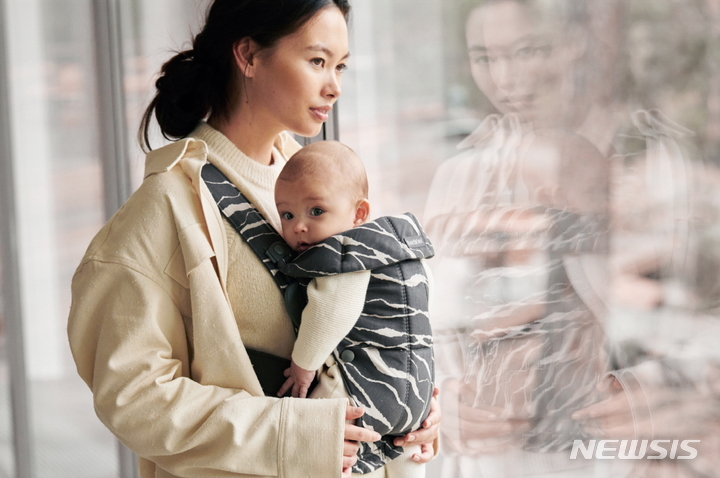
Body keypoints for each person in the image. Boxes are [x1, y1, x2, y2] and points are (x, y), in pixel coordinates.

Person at [66, 2, 440, 478]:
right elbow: (134, 397)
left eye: (340, 66)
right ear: (248, 55)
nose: (334, 86)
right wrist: (294, 434)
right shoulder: (161, 211)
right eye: (317, 61)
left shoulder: (309, 179)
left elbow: (361, 310)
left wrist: (410, 407)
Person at [273, 140, 436, 477]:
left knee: (323, 424)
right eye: (287, 214)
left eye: (315, 211)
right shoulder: (401, 252)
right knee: (407, 459)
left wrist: (303, 365)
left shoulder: (345, 256)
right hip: (416, 390)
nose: (298, 226)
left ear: (359, 214)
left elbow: (332, 312)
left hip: (366, 388)